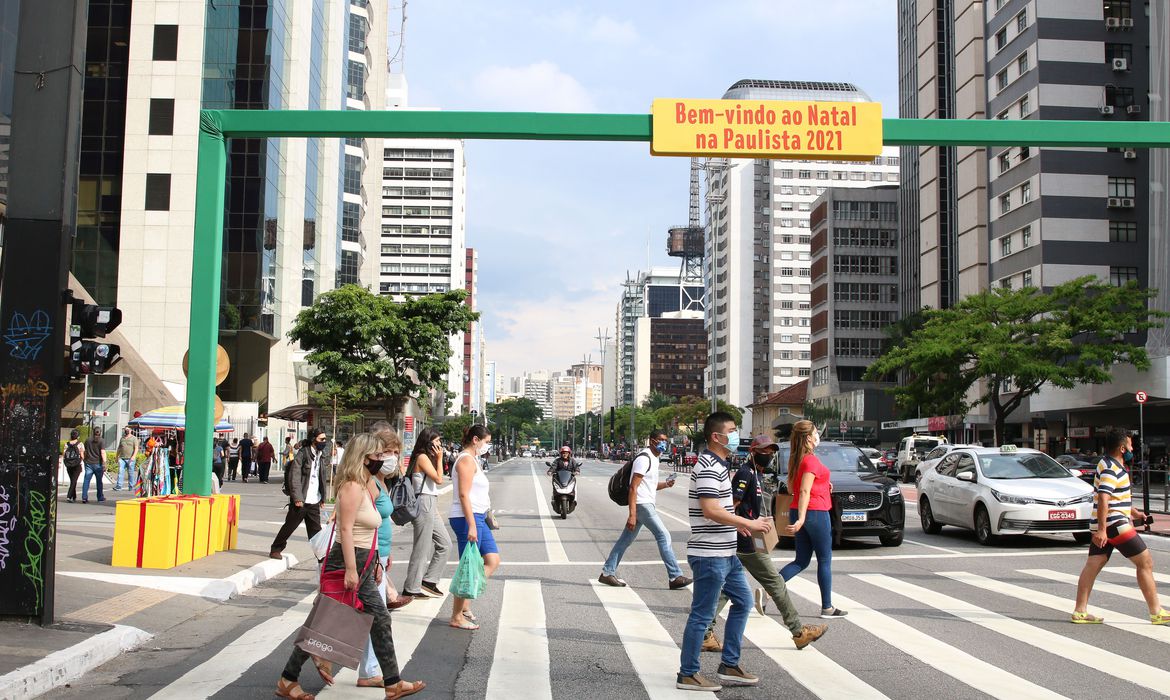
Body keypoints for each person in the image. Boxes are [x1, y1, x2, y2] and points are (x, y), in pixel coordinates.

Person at [275, 432, 425, 700]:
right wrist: (352, 570)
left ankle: (392, 682)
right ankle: (288, 679)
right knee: (324, 623)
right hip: (347, 561)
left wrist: (375, 563)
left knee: (379, 618)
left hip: (364, 562)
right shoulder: (352, 486)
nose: (383, 459)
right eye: (377, 455)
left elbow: (371, 530)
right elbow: (345, 529)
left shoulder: (367, 483)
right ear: (363, 457)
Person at [703, 434, 827, 652]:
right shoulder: (745, 473)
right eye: (763, 452)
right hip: (747, 541)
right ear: (753, 451)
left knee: (728, 589)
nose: (768, 455)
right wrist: (741, 526)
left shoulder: (758, 474)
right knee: (775, 583)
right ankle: (798, 632)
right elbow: (731, 505)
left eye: (771, 452)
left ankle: (705, 633)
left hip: (747, 539)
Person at [676, 412, 773, 692]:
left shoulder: (720, 465)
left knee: (743, 602)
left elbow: (722, 509)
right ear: (717, 437)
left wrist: (737, 526)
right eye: (731, 431)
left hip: (726, 554)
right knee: (702, 615)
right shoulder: (708, 466)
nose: (735, 435)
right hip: (710, 556)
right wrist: (747, 522)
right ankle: (688, 673)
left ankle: (730, 665)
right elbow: (710, 509)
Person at [1072, 429, 1169, 625]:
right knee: (1145, 562)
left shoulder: (1110, 464)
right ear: (1122, 448)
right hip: (1114, 523)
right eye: (1131, 445)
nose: (1133, 449)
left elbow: (1114, 497)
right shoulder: (1111, 468)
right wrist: (1102, 530)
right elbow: (1104, 499)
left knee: (1092, 566)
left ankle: (1080, 611)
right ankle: (1156, 611)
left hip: (1109, 523)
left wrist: (1134, 513)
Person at [598, 429, 691, 590]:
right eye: (661, 440)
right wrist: (632, 514)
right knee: (663, 535)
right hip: (642, 504)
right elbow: (633, 487)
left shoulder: (654, 458)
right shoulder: (644, 458)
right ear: (652, 440)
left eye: (666, 440)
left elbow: (649, 485)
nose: (664, 443)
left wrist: (666, 484)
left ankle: (607, 572)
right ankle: (675, 575)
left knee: (625, 540)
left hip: (645, 503)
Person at [356, 427, 412, 688]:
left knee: (372, 616)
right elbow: (359, 521)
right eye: (387, 452)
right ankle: (374, 674)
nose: (391, 457)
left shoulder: (379, 480)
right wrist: (376, 558)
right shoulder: (366, 481)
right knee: (374, 617)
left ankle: (371, 671)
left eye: (395, 452)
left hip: (380, 555)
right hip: (370, 555)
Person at [779, 420, 846, 619]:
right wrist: (801, 518)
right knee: (824, 559)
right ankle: (827, 607)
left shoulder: (795, 459)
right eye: (816, 433)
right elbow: (804, 490)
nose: (818, 436)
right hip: (815, 512)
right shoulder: (810, 460)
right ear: (808, 438)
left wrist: (824, 485)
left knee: (801, 560)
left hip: (800, 510)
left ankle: (767, 591)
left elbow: (793, 489)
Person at [448, 425, 499, 631]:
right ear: (476, 440)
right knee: (468, 568)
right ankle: (456, 615)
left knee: (492, 560)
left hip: (477, 516)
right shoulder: (466, 460)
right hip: (466, 518)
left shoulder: (473, 459)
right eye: (486, 441)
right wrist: (471, 525)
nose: (488, 445)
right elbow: (463, 495)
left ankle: (465, 605)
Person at [402, 428, 452, 600]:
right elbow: (439, 479)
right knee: (422, 549)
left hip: (430, 502)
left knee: (445, 544)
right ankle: (411, 587)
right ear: (428, 442)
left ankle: (429, 580)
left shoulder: (426, 458)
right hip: (423, 503)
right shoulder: (422, 458)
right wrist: (439, 459)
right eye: (436, 441)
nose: (439, 445)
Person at [270, 428, 329, 560]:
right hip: (301, 499)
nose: (324, 442)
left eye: (325, 439)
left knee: (316, 532)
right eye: (321, 439)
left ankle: (321, 557)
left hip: (314, 499)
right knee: (290, 525)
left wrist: (323, 497)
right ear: (314, 439)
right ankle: (276, 548)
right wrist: (297, 497)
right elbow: (294, 476)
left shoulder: (321, 454)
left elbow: (321, 477)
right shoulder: (303, 453)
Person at [81, 428, 107, 504]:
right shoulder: (101, 441)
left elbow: (84, 451)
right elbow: (103, 452)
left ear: (93, 432)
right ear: (100, 432)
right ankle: (100, 498)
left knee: (86, 481)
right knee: (99, 481)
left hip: (88, 463)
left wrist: (84, 460)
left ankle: (84, 497)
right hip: (98, 464)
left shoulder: (88, 440)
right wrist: (104, 463)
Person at [62, 429, 85, 503]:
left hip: (68, 464)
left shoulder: (67, 444)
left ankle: (74, 496)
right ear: (78, 436)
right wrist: (84, 460)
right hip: (77, 465)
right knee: (74, 481)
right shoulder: (80, 444)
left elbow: (64, 454)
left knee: (72, 480)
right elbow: (82, 455)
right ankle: (69, 496)